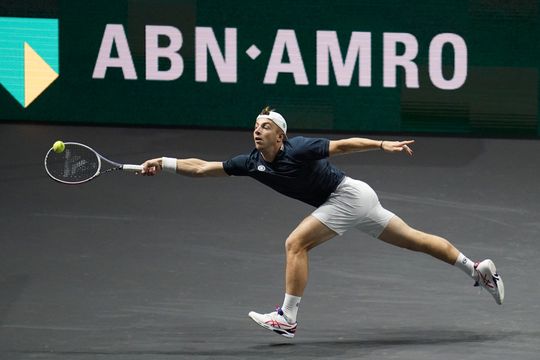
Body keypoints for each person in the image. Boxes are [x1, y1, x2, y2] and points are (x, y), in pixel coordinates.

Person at [140, 106, 504, 339]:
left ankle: (287, 317)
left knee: (295, 244)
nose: (258, 131)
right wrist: (163, 161)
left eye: (265, 127)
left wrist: (380, 146)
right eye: (255, 126)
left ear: (280, 135)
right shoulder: (250, 162)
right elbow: (203, 167)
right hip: (356, 199)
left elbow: (343, 146)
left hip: (347, 196)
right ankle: (477, 270)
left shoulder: (298, 148)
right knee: (416, 240)